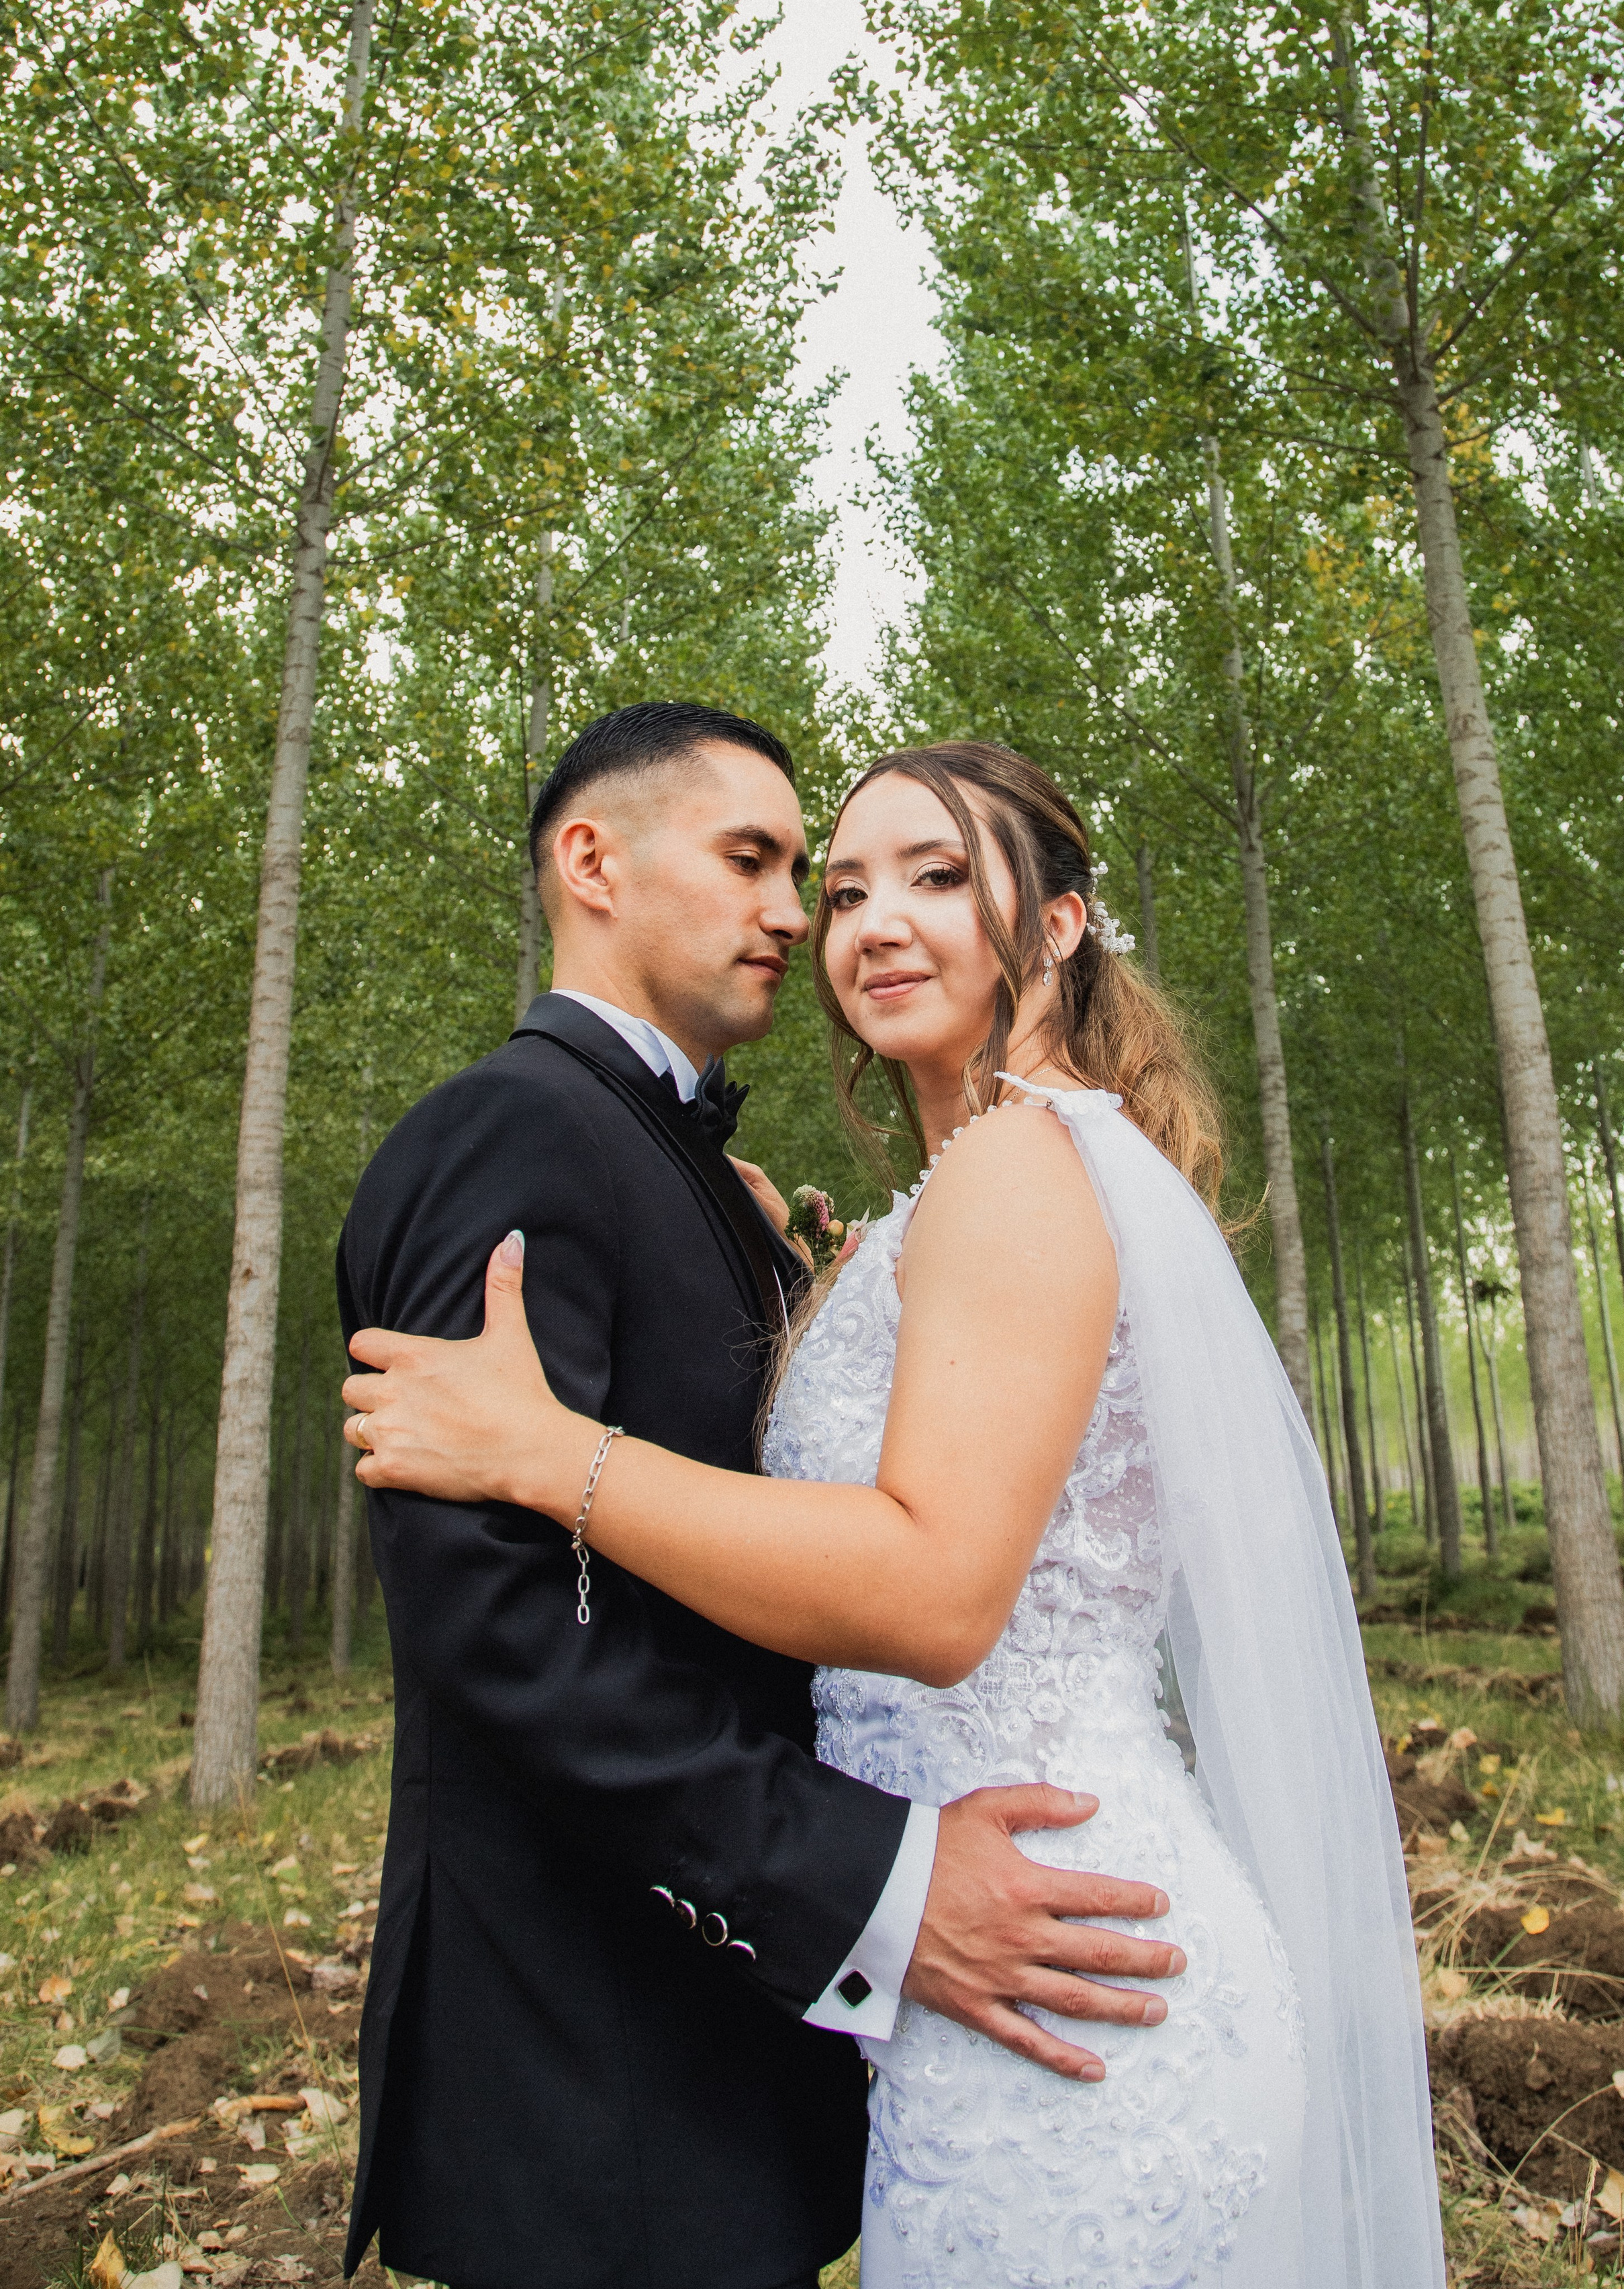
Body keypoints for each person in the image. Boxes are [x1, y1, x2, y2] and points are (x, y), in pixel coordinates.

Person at [334, 708, 1187, 2289]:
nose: (803, 914)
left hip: (753, 2041)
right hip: (596, 2074)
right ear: (590, 861)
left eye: (822, 873)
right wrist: (864, 1884)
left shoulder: (722, 1178)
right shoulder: (507, 1131)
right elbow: (511, 1630)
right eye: (765, 862)